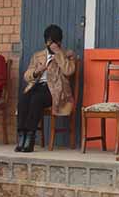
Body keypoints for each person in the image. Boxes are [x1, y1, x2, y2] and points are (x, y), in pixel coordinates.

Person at [15, 24, 76, 153]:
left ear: (59, 42)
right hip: (37, 85)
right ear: (45, 42)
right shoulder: (38, 56)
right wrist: (37, 71)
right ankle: (22, 135)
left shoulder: (67, 55)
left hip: (55, 90)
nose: (52, 44)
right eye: (49, 41)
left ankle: (30, 137)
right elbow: (26, 76)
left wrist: (59, 54)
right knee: (24, 99)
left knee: (36, 100)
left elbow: (69, 71)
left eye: (55, 41)